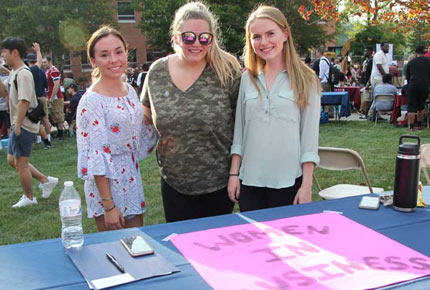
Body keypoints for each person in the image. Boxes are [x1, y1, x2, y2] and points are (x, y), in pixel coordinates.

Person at [141, 1, 241, 222]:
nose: (197, 43)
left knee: (217, 250)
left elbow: (242, 127)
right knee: (182, 249)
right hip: (174, 184)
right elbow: (145, 116)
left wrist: (235, 173)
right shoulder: (157, 72)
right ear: (176, 37)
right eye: (189, 37)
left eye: (204, 37)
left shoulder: (227, 71)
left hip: (219, 184)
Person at [228, 5, 321, 212]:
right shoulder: (247, 78)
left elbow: (309, 139)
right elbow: (239, 133)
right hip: (250, 181)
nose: (264, 42)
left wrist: (306, 186)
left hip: (289, 181)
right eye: (257, 36)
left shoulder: (307, 79)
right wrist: (234, 174)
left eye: (271, 33)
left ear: (285, 34)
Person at [76, 26, 157, 231]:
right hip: (106, 186)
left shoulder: (129, 90)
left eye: (118, 52)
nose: (113, 59)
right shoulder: (91, 101)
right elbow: (96, 154)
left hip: (130, 176)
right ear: (93, 61)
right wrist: (108, 205)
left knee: (137, 244)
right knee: (115, 250)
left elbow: (138, 130)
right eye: (105, 54)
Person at [0, 37, 58, 208]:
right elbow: (3, 90)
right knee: (13, 160)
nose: (3, 55)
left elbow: (24, 101)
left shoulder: (24, 74)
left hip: (23, 125)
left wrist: (17, 125)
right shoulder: (14, 73)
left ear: (14, 52)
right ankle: (45, 180)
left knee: (21, 163)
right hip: (18, 124)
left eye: (5, 52)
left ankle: (29, 197)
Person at [26, 43, 51, 149]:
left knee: (36, 120)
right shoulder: (41, 72)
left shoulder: (28, 71)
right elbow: (46, 86)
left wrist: (38, 50)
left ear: (27, 61)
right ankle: (48, 139)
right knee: (45, 118)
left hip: (33, 99)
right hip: (43, 96)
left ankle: (40, 139)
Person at [406, 46, 430, 131]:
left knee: (412, 106)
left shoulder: (411, 62)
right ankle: (420, 125)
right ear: (424, 52)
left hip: (413, 85)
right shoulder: (428, 61)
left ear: (416, 52)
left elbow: (407, 76)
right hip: (424, 86)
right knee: (421, 105)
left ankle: (411, 126)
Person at [42, 56, 65, 140]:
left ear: (49, 61)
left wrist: (51, 97)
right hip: (50, 96)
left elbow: (56, 85)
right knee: (54, 115)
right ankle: (59, 134)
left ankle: (61, 134)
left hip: (56, 97)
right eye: (42, 62)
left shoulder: (54, 71)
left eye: (45, 62)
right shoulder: (47, 71)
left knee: (58, 115)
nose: (43, 64)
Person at [359, 46, 374, 119]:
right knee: (366, 98)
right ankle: (365, 112)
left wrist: (368, 82)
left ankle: (366, 113)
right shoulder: (366, 61)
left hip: (369, 82)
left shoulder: (372, 60)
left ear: (370, 51)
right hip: (365, 82)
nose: (365, 52)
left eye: (366, 51)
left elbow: (371, 73)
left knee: (368, 99)